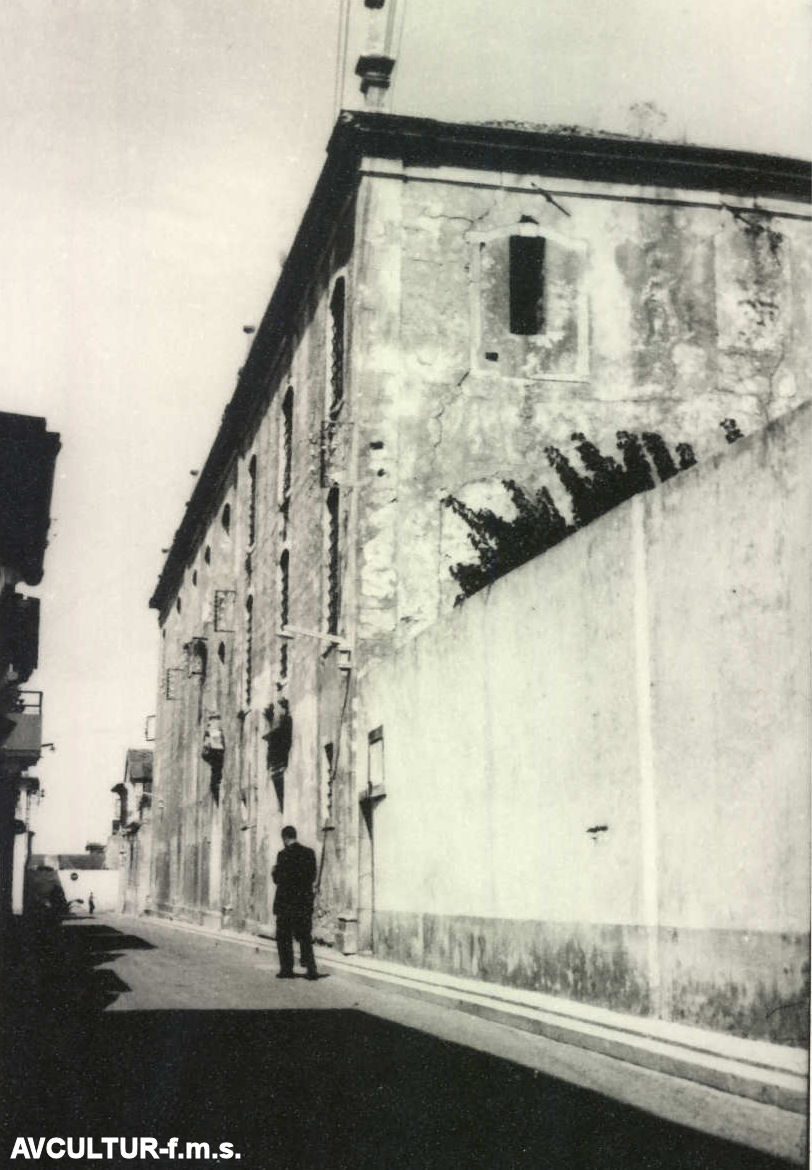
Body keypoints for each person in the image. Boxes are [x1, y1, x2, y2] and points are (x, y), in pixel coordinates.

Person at [272, 825, 318, 980]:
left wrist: (274, 871)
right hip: (303, 902)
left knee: (284, 937)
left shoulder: (283, 855)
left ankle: (287, 969)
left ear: (284, 838)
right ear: (295, 836)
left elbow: (279, 879)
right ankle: (311, 969)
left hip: (286, 903)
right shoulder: (309, 853)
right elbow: (312, 876)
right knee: (305, 936)